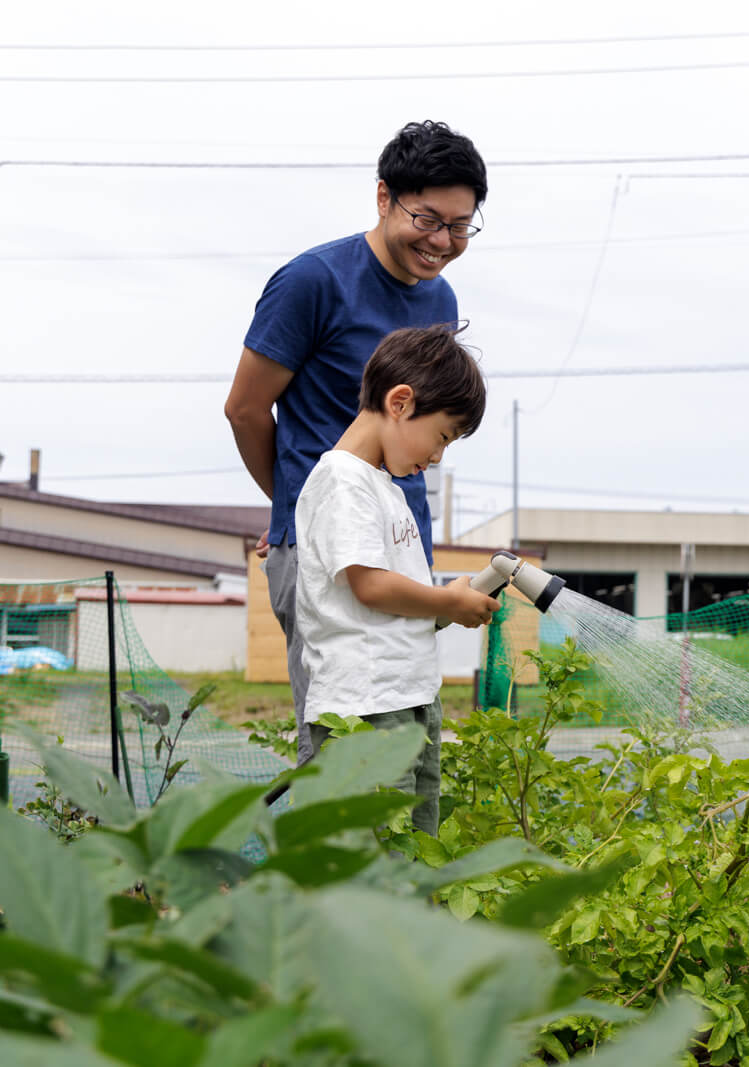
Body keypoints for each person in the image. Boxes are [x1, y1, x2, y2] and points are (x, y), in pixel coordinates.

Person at [224, 120, 487, 763]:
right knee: (342, 734)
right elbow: (246, 408)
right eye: (428, 218)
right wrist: (301, 511)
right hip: (332, 553)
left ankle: (397, 865)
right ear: (382, 197)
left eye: (460, 226)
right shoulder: (314, 281)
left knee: (403, 726)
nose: (442, 241)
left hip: (404, 542)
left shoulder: (440, 298)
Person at [294, 323, 499, 834]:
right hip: (367, 709)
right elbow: (371, 585)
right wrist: (446, 604)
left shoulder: (385, 489)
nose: (436, 457)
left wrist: (449, 604)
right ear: (401, 402)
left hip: (405, 699)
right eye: (443, 437)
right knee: (369, 863)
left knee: (411, 852)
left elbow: (391, 605)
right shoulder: (343, 481)